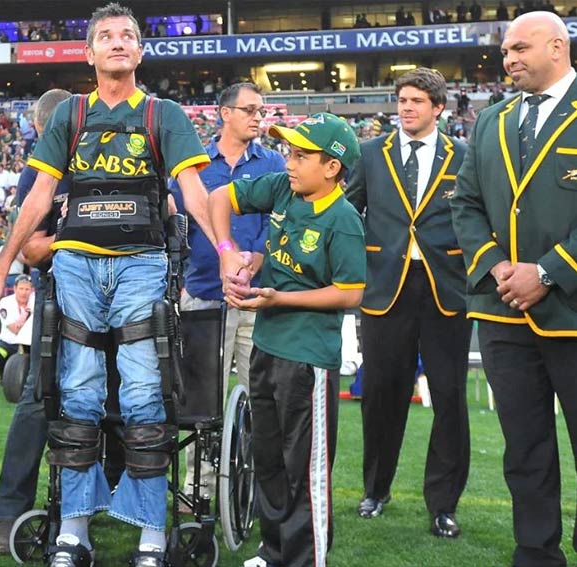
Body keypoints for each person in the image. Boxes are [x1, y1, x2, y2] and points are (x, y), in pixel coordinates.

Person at [0, 4, 216, 566]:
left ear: (140, 51)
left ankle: (151, 536)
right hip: (74, 264)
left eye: (128, 35)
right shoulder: (69, 115)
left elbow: (193, 190)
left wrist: (223, 251)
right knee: (76, 395)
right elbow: (36, 198)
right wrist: (1, 265)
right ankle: (73, 533)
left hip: (142, 261)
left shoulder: (163, 113)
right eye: (106, 36)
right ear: (90, 52)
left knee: (144, 394)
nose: (118, 43)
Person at [209, 113, 366, 567]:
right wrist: (228, 253)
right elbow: (220, 197)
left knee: (307, 472)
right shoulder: (281, 187)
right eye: (290, 153)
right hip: (267, 348)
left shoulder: (344, 220)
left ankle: (305, 558)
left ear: (332, 167)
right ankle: (273, 551)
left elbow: (351, 292)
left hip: (308, 359)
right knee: (270, 459)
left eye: (301, 155)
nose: (289, 162)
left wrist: (281, 298)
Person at [451, 12, 577, 566]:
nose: (509, 60)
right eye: (505, 51)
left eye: (521, 48)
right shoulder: (489, 121)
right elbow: (465, 203)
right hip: (502, 312)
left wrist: (547, 270)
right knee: (524, 449)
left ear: (558, 46)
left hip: (571, 309)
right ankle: (535, 552)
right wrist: (498, 265)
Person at [345, 68, 471, 538]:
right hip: (384, 288)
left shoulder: (464, 154)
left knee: (450, 398)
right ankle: (376, 489)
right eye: (402, 100)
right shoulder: (370, 152)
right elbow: (349, 211)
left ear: (438, 108)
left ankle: (443, 503)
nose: (407, 107)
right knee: (379, 395)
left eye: (417, 100)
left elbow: (474, 213)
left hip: (445, 288)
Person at [169, 82, 285, 503]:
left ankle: (251, 490)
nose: (258, 117)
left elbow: (281, 221)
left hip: (257, 296)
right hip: (202, 294)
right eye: (250, 109)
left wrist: (257, 256)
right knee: (202, 402)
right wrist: (180, 273)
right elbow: (174, 225)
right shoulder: (194, 166)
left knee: (261, 399)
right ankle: (197, 489)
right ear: (224, 114)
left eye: (262, 110)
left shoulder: (273, 163)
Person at [0, 88, 72, 554]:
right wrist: (78, 241)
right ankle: (11, 513)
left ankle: (108, 502)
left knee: (119, 400)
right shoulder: (37, 176)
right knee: (38, 399)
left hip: (113, 292)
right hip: (56, 292)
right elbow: (29, 250)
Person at [0, 274, 35, 376]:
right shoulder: (5, 302)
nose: (24, 293)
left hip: (29, 344)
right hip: (8, 343)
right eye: (21, 289)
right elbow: (14, 329)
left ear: (32, 290)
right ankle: (3, 375)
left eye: (27, 289)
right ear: (15, 289)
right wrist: (26, 313)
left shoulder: (35, 301)